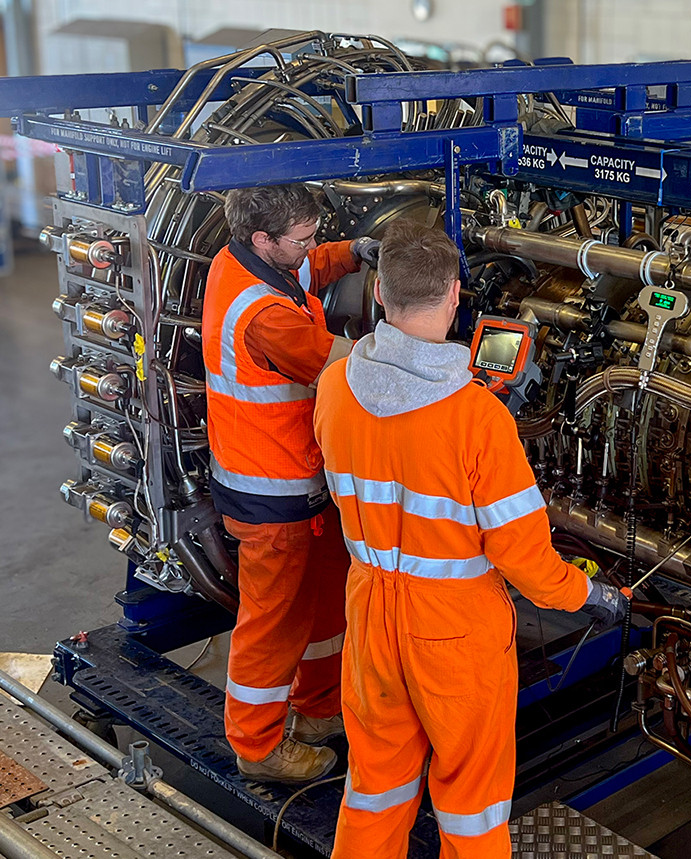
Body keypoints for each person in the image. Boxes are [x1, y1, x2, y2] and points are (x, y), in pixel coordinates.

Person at [314, 221, 626, 858]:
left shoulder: (334, 388)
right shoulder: (476, 415)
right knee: (470, 804)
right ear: (456, 295)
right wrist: (587, 594)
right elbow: (524, 559)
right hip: (455, 636)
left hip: (371, 615)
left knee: (375, 786)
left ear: (378, 293)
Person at [202, 183, 380, 783]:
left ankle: (318, 709)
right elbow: (343, 361)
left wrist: (354, 250)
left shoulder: (247, 259)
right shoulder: (264, 316)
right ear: (263, 239)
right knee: (273, 620)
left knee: (326, 600)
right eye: (300, 238)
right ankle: (257, 748)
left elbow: (307, 263)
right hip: (270, 487)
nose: (310, 248)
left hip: (306, 477)